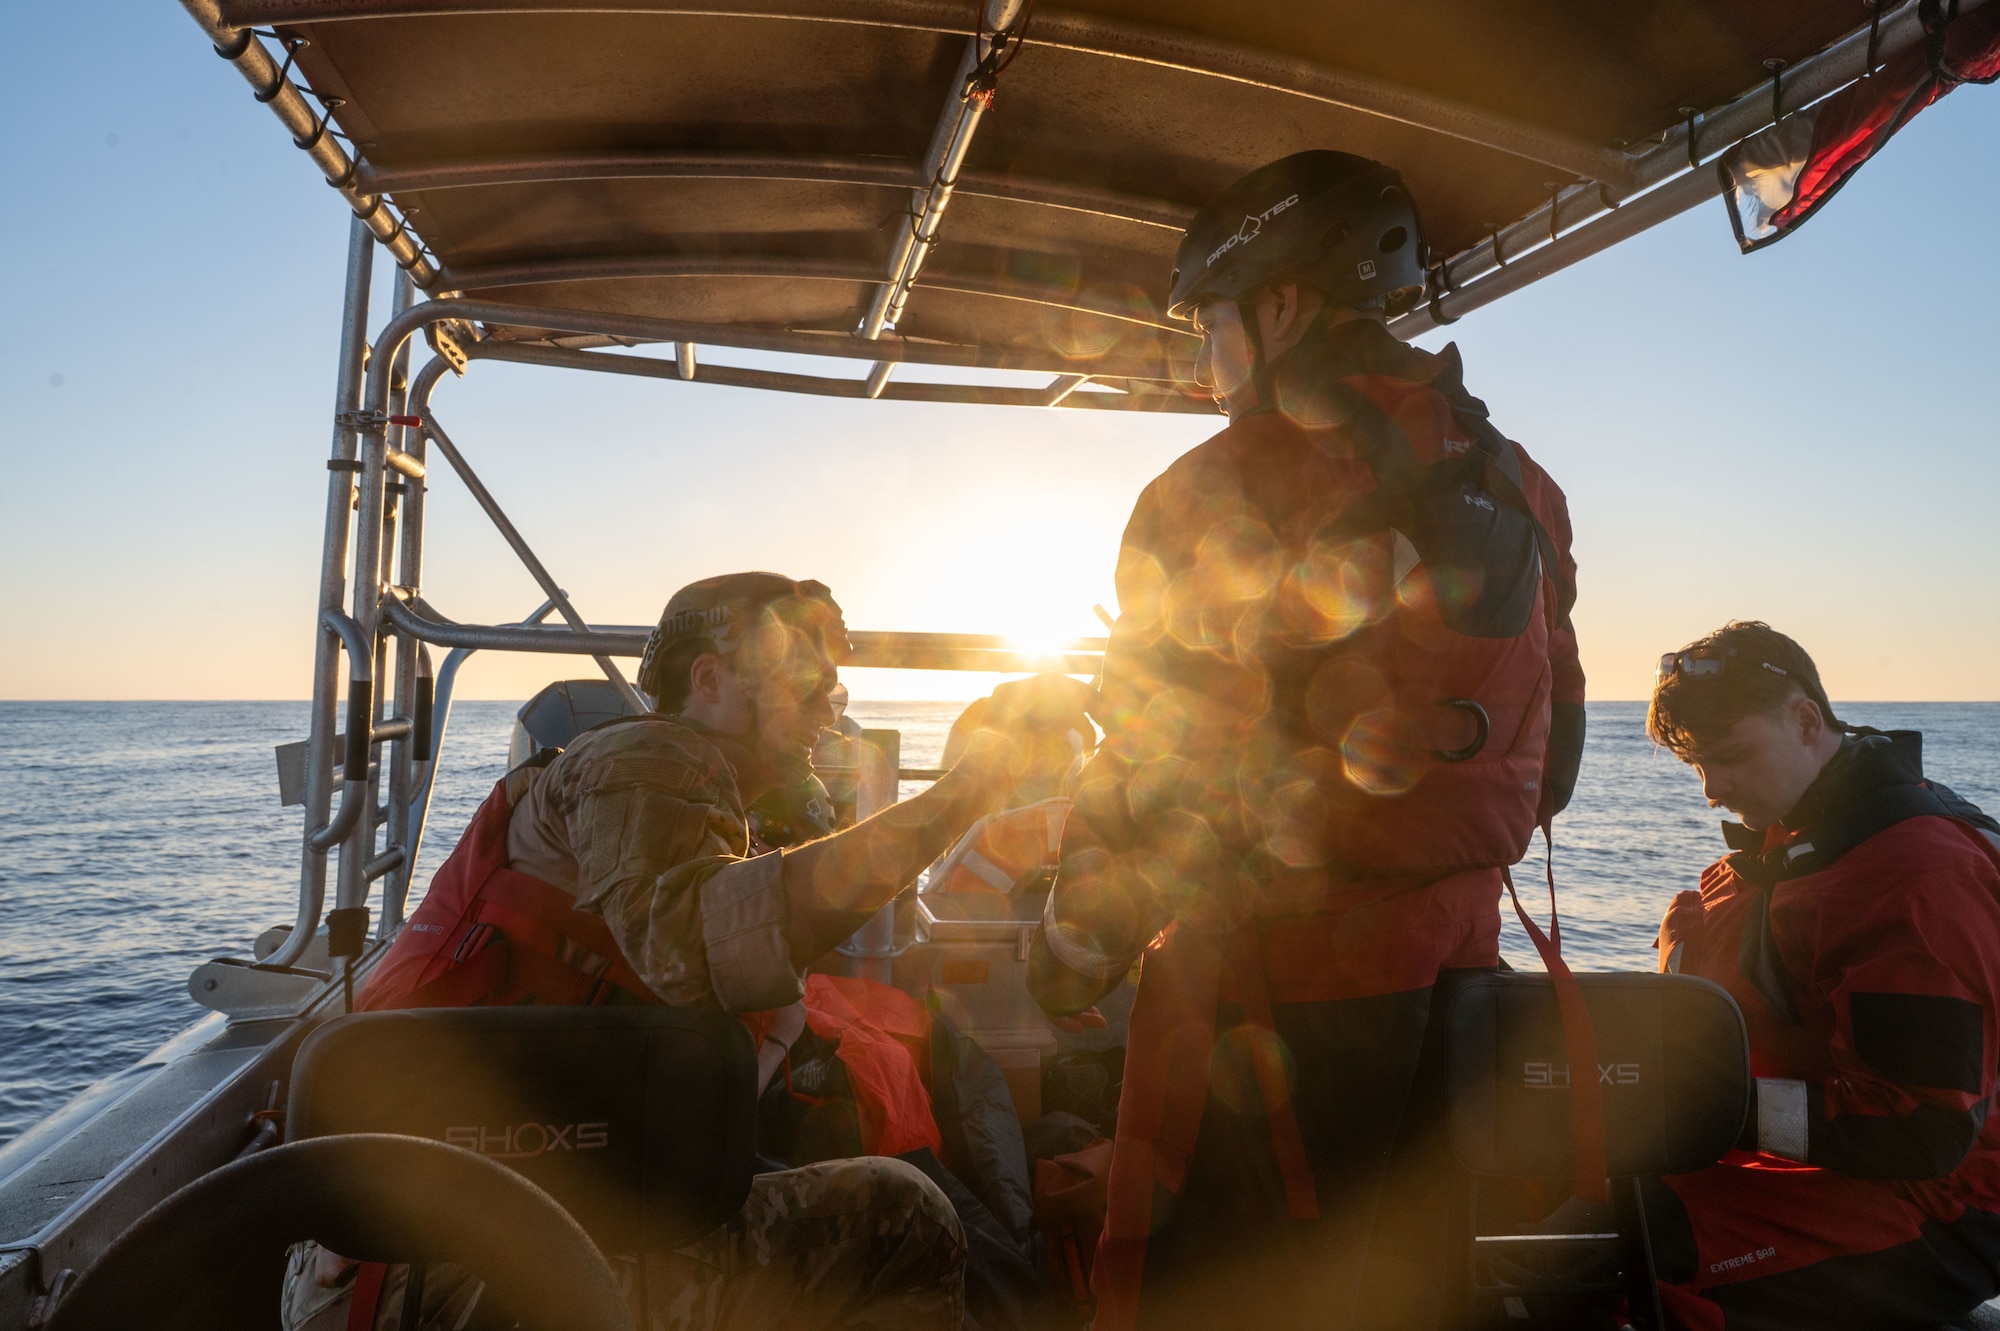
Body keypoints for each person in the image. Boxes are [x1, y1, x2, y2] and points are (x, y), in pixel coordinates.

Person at [1023, 150, 1585, 1330]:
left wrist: (1077, 942)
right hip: (1461, 965)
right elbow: (1559, 756)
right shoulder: (1522, 480)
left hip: (1270, 985)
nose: (1205, 360)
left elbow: (1155, 750)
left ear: (1277, 302)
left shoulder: (1208, 487)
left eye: (1210, 324)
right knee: (1407, 1272)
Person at [283, 572, 1089, 1331]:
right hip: (442, 1272)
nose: (829, 707)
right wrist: (963, 795)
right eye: (803, 679)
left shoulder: (670, 801)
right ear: (708, 683)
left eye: (833, 687)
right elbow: (691, 949)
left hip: (447, 1231)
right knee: (907, 1216)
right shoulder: (647, 757)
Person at [1645, 620, 2000, 1331]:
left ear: (1807, 720)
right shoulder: (1793, 850)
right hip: (1833, 1162)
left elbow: (1925, 1132)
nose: (1713, 789)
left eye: (1733, 756)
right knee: (1560, 1181)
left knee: (1637, 1243)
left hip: (1948, 1199)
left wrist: (1717, 1111)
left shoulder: (1914, 876)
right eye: (1697, 767)